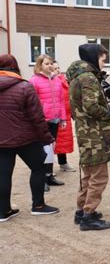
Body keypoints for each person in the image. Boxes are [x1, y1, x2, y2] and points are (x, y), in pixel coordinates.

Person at [0, 54, 59, 221]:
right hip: (25, 138)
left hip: (1, 140)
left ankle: (3, 211)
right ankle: (38, 205)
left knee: (3, 174)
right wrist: (46, 137)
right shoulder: (25, 87)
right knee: (39, 167)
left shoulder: (25, 86)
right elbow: (37, 117)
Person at [67, 43, 110, 231]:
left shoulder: (79, 76)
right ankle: (88, 216)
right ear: (93, 56)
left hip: (85, 132)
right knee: (98, 176)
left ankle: (82, 211)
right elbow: (91, 106)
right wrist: (108, 113)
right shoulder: (88, 77)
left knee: (88, 175)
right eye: (102, 58)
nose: (104, 63)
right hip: (94, 135)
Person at [30, 54, 66, 190]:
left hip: (54, 120)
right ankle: (42, 178)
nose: (50, 66)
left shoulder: (57, 80)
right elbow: (32, 103)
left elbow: (61, 100)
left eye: (51, 63)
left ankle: (49, 175)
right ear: (40, 65)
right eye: (46, 63)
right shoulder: (34, 81)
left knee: (51, 148)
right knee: (42, 150)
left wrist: (62, 118)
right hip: (42, 120)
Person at [52, 61, 76, 173]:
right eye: (54, 68)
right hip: (53, 116)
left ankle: (63, 163)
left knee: (63, 141)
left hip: (65, 115)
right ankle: (48, 168)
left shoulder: (64, 81)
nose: (57, 70)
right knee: (52, 142)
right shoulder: (50, 82)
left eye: (58, 68)